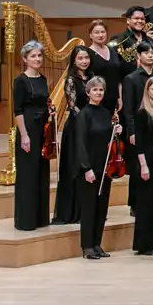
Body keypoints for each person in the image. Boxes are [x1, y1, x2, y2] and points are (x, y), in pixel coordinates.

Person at [70, 76, 118, 261]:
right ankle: (87, 246)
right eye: (95, 90)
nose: (99, 93)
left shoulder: (106, 113)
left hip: (105, 166)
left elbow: (108, 140)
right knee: (90, 208)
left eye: (101, 90)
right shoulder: (84, 115)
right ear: (88, 92)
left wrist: (116, 131)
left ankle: (97, 244)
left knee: (102, 208)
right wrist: (86, 168)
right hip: (89, 168)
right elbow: (80, 144)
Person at [11, 41, 51, 230]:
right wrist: (24, 135)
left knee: (41, 172)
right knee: (28, 174)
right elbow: (17, 110)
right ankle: (25, 220)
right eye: (33, 56)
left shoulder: (42, 79)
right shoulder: (21, 80)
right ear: (25, 58)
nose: (37, 59)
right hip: (28, 128)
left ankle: (40, 218)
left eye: (39, 55)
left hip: (42, 128)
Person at [127, 73, 153, 255]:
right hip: (147, 163)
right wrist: (143, 165)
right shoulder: (142, 113)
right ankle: (143, 245)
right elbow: (141, 143)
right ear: (147, 91)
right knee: (146, 204)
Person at [52, 46, 95, 225]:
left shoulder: (93, 78)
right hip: (77, 126)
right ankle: (70, 211)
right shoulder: (71, 80)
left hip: (91, 126)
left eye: (86, 58)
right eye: (80, 58)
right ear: (74, 61)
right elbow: (73, 106)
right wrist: (87, 120)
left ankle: (86, 209)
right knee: (73, 167)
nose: (84, 61)